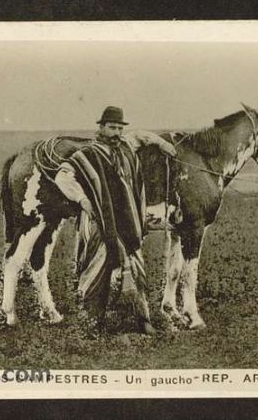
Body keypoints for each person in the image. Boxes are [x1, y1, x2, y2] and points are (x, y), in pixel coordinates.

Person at [54, 106, 176, 335]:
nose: (117, 132)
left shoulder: (127, 150)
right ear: (101, 127)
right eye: (112, 127)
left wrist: (162, 143)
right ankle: (92, 322)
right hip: (99, 222)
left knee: (137, 270)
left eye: (120, 128)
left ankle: (143, 319)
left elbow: (140, 136)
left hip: (128, 224)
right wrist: (81, 199)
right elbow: (62, 175)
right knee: (96, 270)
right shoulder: (87, 154)